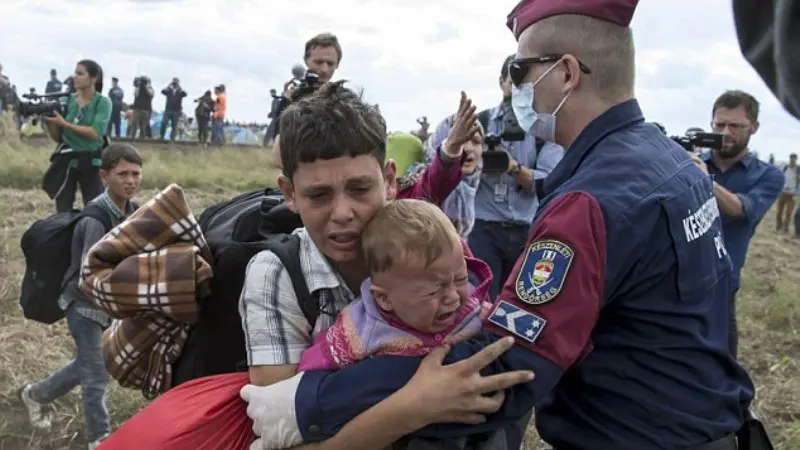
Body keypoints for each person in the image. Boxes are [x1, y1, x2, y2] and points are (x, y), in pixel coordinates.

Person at [240, 1, 757, 450]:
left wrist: (314, 398)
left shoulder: (586, 205)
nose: (515, 87)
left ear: (566, 74)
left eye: (521, 69)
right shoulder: (672, 164)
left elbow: (502, 369)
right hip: (704, 423)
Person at [239, 80, 483, 388]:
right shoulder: (276, 274)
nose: (342, 213)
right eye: (318, 195)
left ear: (389, 180)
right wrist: (416, 407)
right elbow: (277, 417)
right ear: (289, 194)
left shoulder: (428, 248)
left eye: (360, 189)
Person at [19, 143, 143, 450]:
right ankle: (99, 439)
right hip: (83, 304)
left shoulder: (134, 212)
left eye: (136, 174)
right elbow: (92, 272)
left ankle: (35, 395)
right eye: (122, 174)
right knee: (96, 376)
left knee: (88, 365)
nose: (130, 180)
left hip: (108, 305)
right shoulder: (95, 219)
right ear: (104, 176)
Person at [296, 199, 492, 374]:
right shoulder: (359, 330)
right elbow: (311, 371)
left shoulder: (473, 309)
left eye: (460, 279)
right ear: (384, 299)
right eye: (434, 291)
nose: (453, 297)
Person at [689, 90, 783, 358]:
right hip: (676, 277)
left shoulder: (768, 176)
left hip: (722, 282)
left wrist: (703, 180)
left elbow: (741, 209)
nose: (726, 132)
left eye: (736, 126)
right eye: (720, 125)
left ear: (754, 127)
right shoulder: (690, 162)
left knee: (722, 360)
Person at [467, 54, 564, 299]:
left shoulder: (544, 130)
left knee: (522, 302)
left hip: (526, 230)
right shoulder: (479, 124)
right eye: (513, 82)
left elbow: (549, 182)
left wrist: (512, 168)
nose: (518, 90)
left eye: (525, 85)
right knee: (481, 302)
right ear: (501, 82)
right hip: (483, 229)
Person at [41, 60, 112, 213]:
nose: (75, 77)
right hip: (67, 160)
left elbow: (95, 133)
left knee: (95, 208)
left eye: (80, 73)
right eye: (75, 73)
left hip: (91, 161)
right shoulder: (67, 100)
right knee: (63, 209)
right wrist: (51, 123)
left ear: (93, 78)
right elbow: (59, 138)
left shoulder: (103, 102)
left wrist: (65, 124)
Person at [776, 153, 799, 232]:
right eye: (791, 158)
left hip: (792, 194)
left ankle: (786, 229)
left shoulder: (798, 169)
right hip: (783, 192)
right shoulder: (785, 167)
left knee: (789, 213)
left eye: (794, 158)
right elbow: (780, 177)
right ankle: (778, 227)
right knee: (779, 211)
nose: (792, 160)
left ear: (796, 159)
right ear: (789, 158)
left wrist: (796, 192)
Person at [160, 77, 187, 141]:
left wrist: (179, 87)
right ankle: (162, 136)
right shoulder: (169, 90)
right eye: (174, 82)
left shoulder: (180, 91)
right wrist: (169, 85)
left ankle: (172, 138)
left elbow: (185, 94)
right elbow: (162, 91)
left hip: (176, 111)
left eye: (176, 82)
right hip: (168, 109)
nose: (174, 83)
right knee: (164, 123)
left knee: (174, 125)